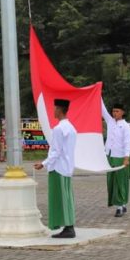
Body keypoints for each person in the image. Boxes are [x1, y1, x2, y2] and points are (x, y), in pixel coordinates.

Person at [34, 99, 77, 238]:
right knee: (66, 197)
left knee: (60, 199)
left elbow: (56, 151)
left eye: (54, 108)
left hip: (58, 168)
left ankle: (68, 228)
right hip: (67, 166)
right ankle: (68, 226)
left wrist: (44, 163)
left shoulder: (59, 128)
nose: (53, 111)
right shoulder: (71, 127)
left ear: (59, 110)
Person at [102, 101, 130, 217]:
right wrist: (97, 92)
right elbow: (103, 110)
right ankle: (121, 204)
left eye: (117, 111)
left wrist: (126, 157)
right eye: (113, 111)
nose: (114, 113)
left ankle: (120, 206)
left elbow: (127, 143)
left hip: (120, 157)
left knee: (120, 181)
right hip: (110, 155)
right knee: (111, 181)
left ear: (122, 112)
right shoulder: (110, 122)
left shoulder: (126, 126)